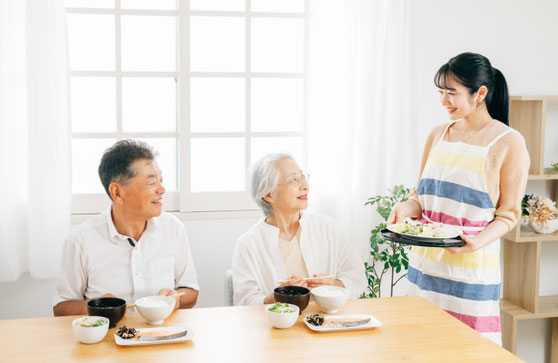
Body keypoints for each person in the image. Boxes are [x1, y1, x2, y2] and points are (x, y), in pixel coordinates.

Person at [387, 52, 529, 344]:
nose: (443, 102)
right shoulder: (437, 134)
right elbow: (421, 198)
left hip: (470, 269)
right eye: (441, 92)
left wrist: (476, 242)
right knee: (418, 346)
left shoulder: (508, 142)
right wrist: (404, 208)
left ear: (480, 94)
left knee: (467, 349)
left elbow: (509, 214)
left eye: (451, 93)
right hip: (425, 268)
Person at [53, 140, 199, 316]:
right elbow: (61, 308)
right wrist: (92, 306)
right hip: (108, 338)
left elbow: (191, 292)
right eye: (152, 183)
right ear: (117, 193)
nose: (162, 189)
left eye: (161, 180)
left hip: (162, 333)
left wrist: (176, 298)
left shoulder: (173, 228)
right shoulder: (80, 240)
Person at [232, 153, 367, 305]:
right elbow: (244, 302)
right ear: (269, 195)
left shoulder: (327, 227)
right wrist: (277, 297)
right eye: (294, 180)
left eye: (303, 177)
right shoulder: (248, 244)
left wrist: (336, 286)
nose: (305, 186)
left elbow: (358, 277)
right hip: (276, 326)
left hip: (327, 322)